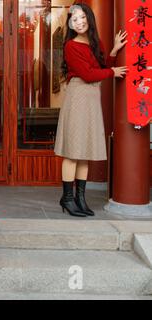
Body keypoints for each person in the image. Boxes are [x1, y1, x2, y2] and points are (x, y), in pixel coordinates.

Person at [54, 3, 128, 217]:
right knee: (72, 152)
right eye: (74, 19)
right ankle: (67, 198)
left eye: (82, 17)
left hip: (92, 97)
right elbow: (88, 74)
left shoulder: (95, 42)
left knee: (84, 152)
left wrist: (113, 50)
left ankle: (80, 198)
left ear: (89, 17)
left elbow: (102, 68)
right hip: (78, 96)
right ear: (70, 23)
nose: (79, 22)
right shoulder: (71, 45)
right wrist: (111, 72)